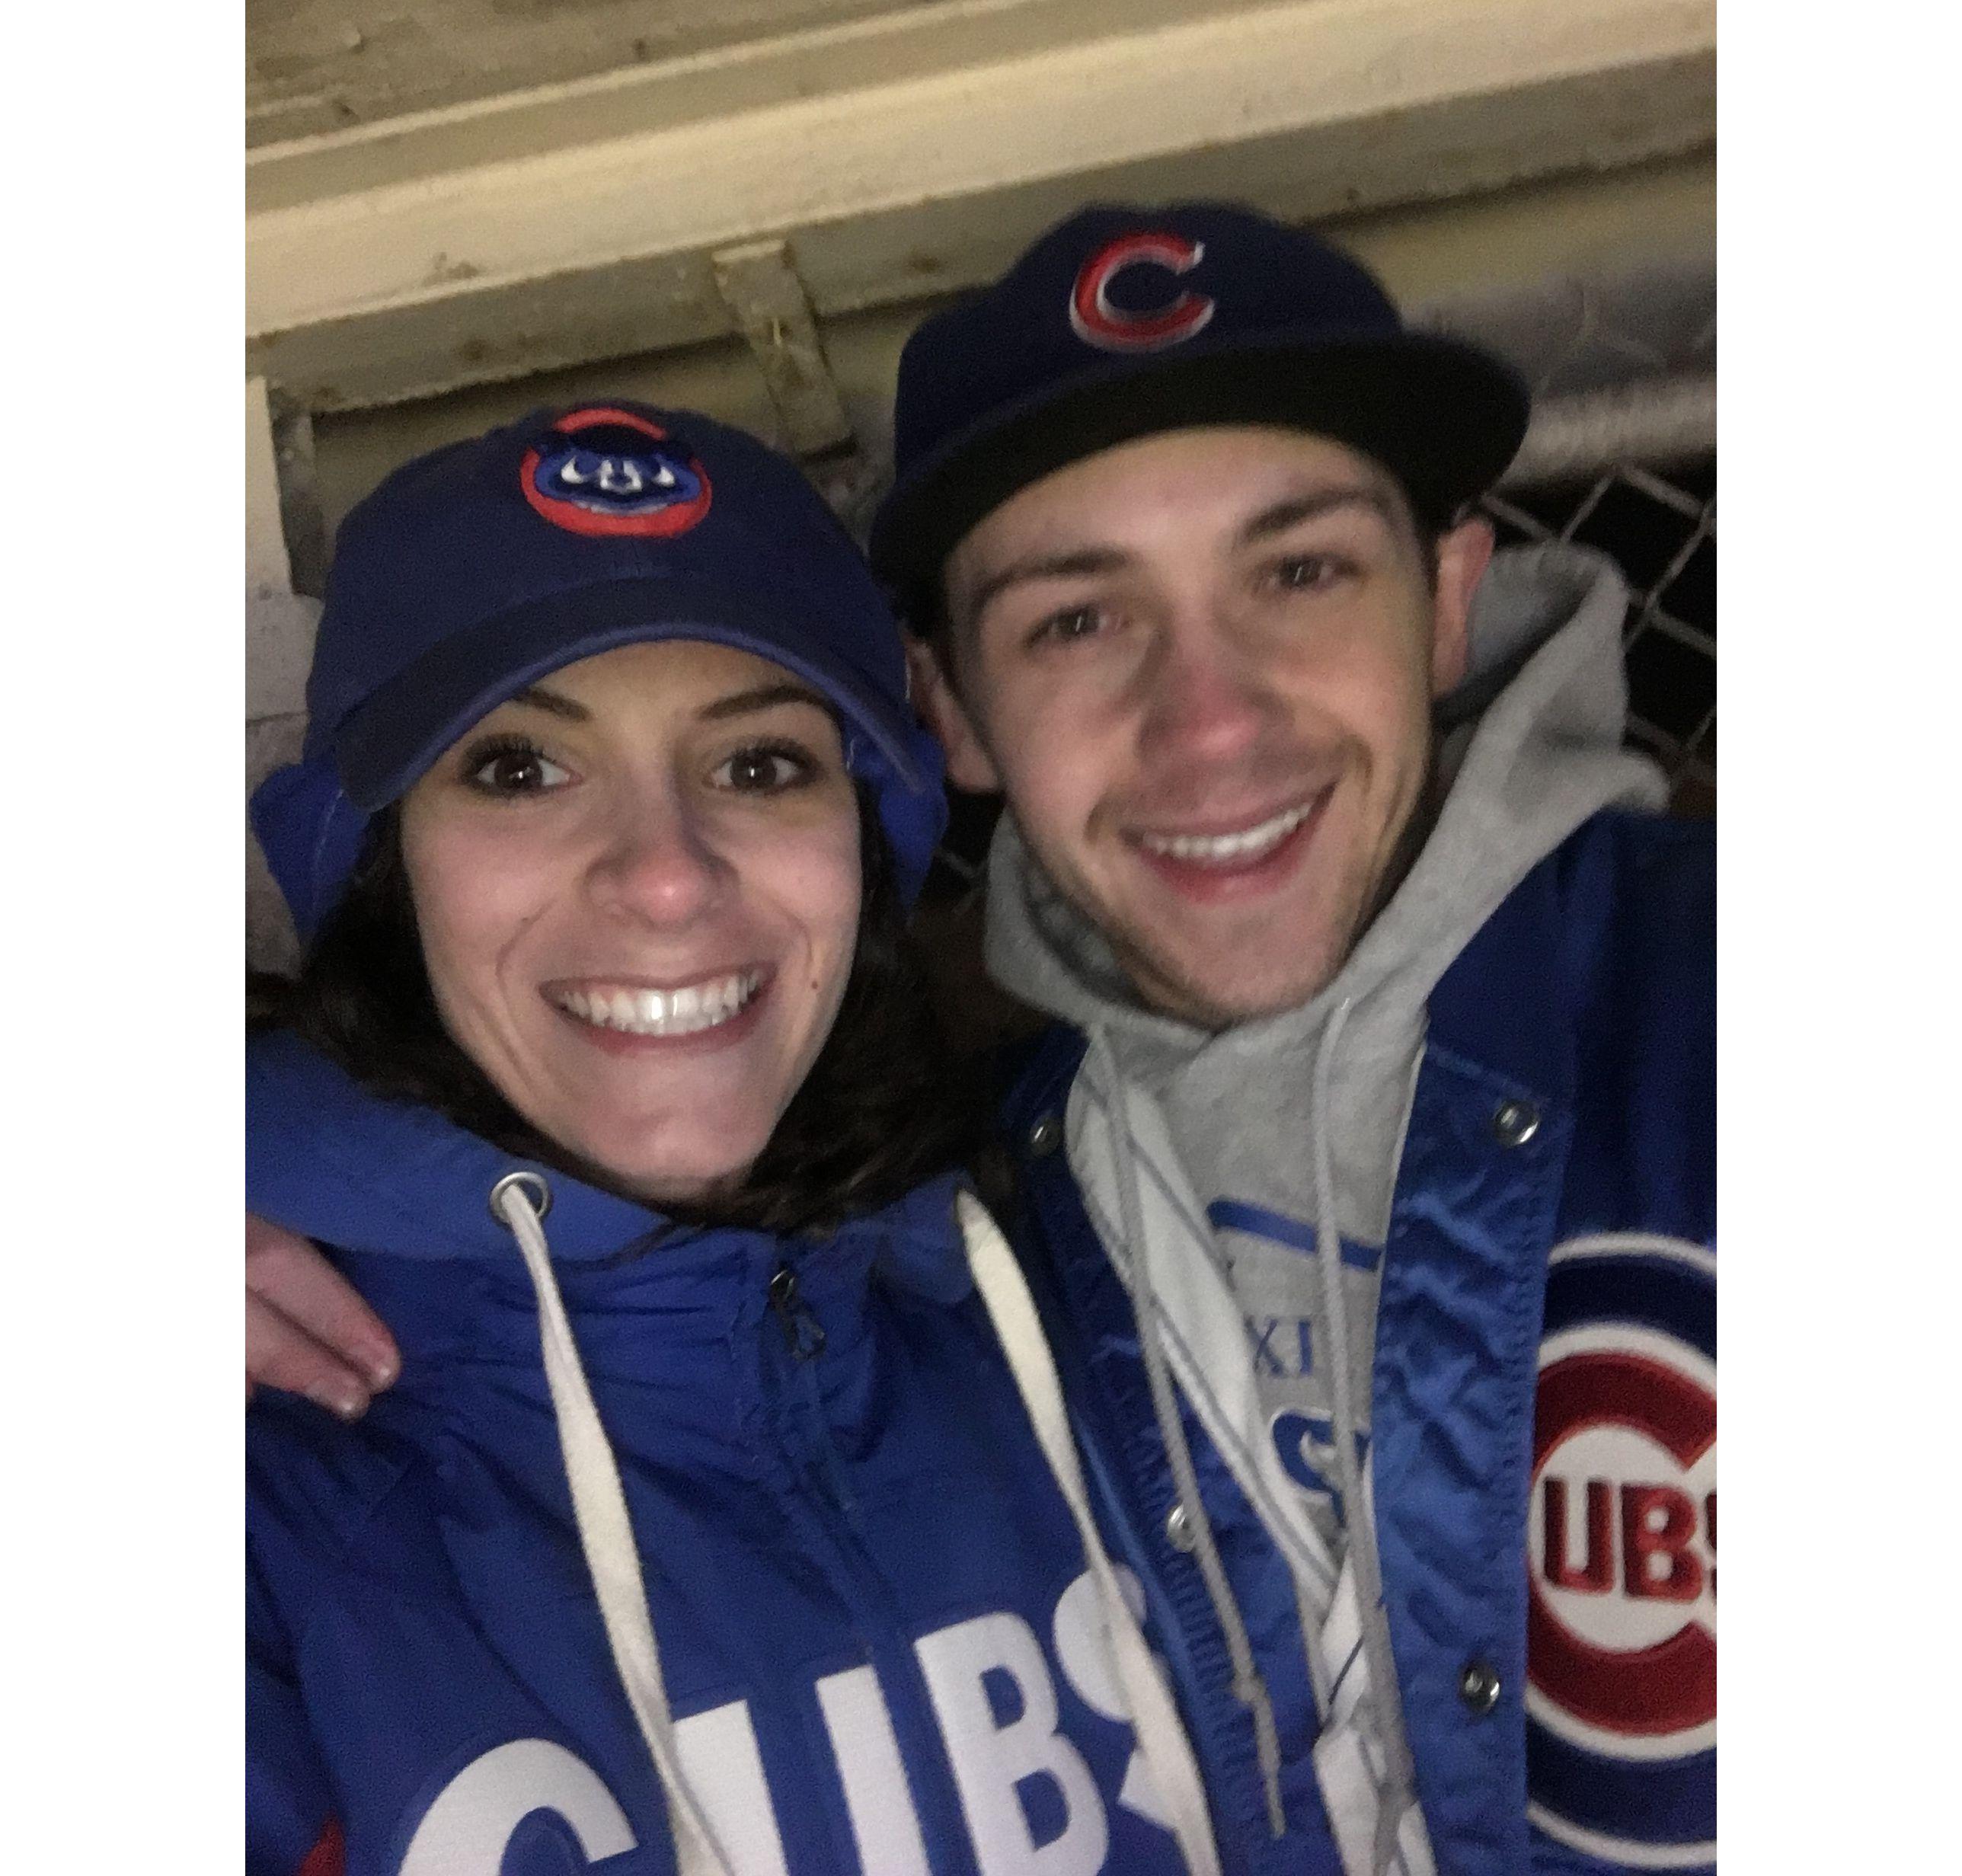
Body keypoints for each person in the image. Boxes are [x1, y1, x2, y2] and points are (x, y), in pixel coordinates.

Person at [251, 206, 1716, 1876]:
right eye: (1077, 618)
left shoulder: (967, 1277)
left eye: (1297, 571)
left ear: (1449, 597)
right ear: (950, 711)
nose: (1210, 721)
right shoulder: (1022, 1202)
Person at [244, 401, 1221, 1876]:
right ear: (382, 866)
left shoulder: (1090, 1305)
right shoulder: (260, 1494)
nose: (664, 877)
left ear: (864, 852)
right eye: (519, 768)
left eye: (759, 764)